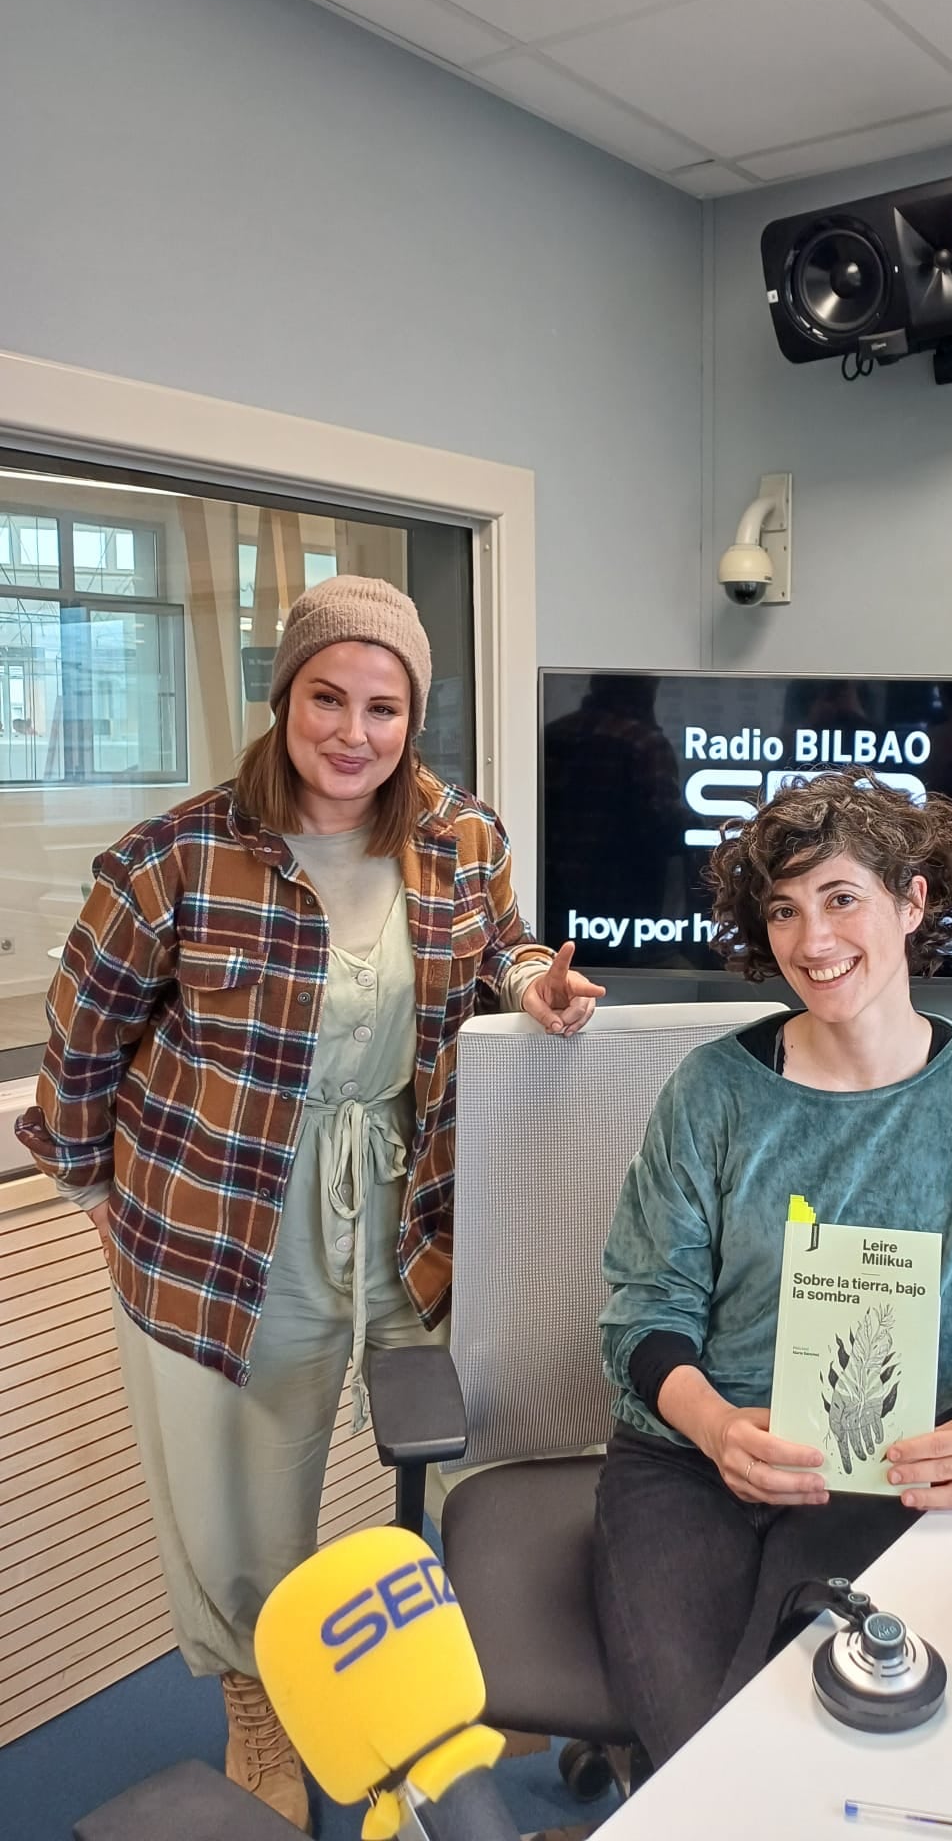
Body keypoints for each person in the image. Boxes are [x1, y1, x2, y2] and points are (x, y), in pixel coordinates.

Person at [16, 576, 603, 1830]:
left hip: (414, 1191)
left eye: (383, 705)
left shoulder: (460, 834)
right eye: (326, 697)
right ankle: (257, 1699)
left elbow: (505, 946)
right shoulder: (173, 858)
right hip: (235, 1214)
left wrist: (538, 980)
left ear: (415, 716)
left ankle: (491, 1657)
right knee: (242, 1477)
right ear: (282, 700)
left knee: (463, 1435)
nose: (354, 729)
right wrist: (96, 1191)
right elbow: (80, 1049)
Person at [593, 770, 952, 1766]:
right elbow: (642, 1316)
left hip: (888, 1466)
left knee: (818, 1736)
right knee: (695, 1752)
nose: (815, 941)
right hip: (689, 1462)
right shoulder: (713, 1092)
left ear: (913, 899)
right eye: (786, 911)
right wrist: (717, 1425)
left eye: (843, 898)